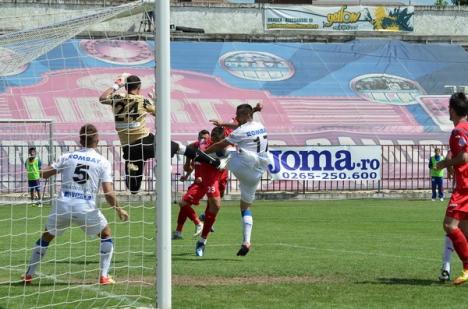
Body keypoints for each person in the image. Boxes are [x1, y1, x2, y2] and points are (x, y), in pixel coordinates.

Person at [21, 124, 129, 285]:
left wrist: (46, 165)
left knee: (46, 237)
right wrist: (119, 209)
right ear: (97, 140)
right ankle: (104, 276)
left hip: (63, 205)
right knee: (106, 234)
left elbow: (44, 174)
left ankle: (29, 275)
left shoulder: (67, 157)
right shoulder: (102, 161)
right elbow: (108, 193)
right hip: (85, 207)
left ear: (80, 140)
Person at [99, 74, 223, 194]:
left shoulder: (117, 98)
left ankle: (212, 163)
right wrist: (155, 101)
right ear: (139, 88)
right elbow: (159, 113)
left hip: (130, 149)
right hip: (145, 141)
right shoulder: (142, 101)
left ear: (125, 87)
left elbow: (102, 98)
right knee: (179, 147)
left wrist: (116, 85)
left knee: (133, 189)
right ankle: (213, 163)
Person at [204, 104, 270, 256]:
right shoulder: (260, 125)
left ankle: (212, 162)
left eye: (237, 115)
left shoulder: (241, 131)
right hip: (257, 173)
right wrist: (223, 124)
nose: (236, 118)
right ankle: (246, 241)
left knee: (224, 152)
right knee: (245, 207)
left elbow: (221, 143)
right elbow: (242, 122)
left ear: (243, 116)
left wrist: (205, 152)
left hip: (244, 165)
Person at [435, 92, 468, 285]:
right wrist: (451, 158)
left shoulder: (457, 131)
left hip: (464, 186)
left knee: (449, 225)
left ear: (452, 110)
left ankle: (467, 266)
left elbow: (464, 157)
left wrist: (444, 165)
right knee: (464, 230)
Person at [172, 129, 210, 240]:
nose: (204, 140)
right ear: (198, 138)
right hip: (197, 182)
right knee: (184, 205)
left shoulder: (210, 149)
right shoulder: (194, 148)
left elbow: (213, 166)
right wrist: (187, 174)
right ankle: (178, 232)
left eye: (206, 138)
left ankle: (199, 223)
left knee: (183, 202)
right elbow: (193, 165)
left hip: (203, 183)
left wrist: (203, 176)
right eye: (202, 138)